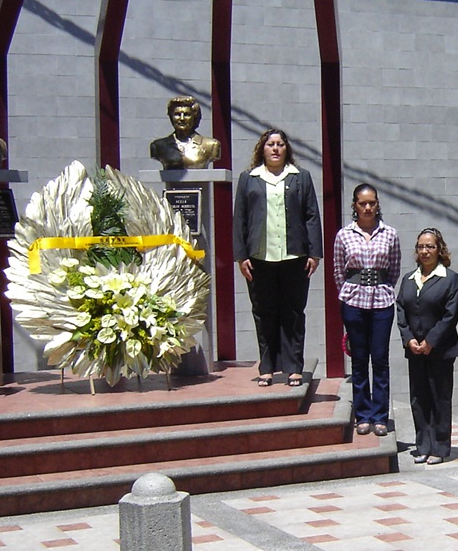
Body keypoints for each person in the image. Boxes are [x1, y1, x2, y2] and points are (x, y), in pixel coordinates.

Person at [232, 128, 322, 387]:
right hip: (259, 258)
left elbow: (311, 215)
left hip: (295, 256)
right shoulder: (248, 178)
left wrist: (314, 253)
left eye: (280, 144)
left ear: (286, 149)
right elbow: (240, 218)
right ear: (262, 149)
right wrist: (241, 256)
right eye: (270, 144)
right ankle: (267, 367)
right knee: (264, 312)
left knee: (293, 313)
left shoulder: (301, 177)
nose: (275, 148)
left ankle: (294, 368)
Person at [333, 184, 402, 436]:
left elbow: (394, 269)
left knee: (380, 359)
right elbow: (338, 271)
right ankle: (362, 415)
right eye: (363, 203)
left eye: (372, 202)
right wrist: (349, 293)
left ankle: (380, 416)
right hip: (353, 302)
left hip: (382, 302)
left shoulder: (390, 233)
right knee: (359, 359)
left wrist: (381, 287)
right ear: (355, 205)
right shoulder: (344, 235)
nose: (368, 207)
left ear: (377, 204)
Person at [396, 228, 458, 465]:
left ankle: (440, 447)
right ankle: (423, 446)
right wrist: (408, 338)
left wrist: (430, 341)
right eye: (421, 247)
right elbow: (400, 309)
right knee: (419, 399)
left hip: (440, 351)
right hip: (415, 350)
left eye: (430, 246)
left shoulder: (450, 279)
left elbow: (450, 315)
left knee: (439, 399)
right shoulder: (409, 279)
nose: (425, 251)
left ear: (439, 249)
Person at [149, 96, 223, 168]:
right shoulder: (158, 146)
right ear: (171, 117)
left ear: (194, 117)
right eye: (177, 114)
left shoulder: (211, 145)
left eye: (187, 115)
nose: (182, 118)